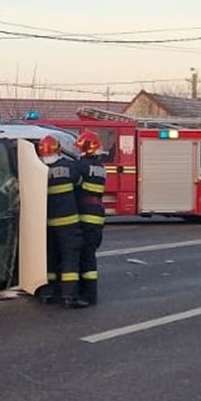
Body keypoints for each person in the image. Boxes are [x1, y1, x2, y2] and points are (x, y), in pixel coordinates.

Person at [34, 135, 89, 309]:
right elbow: (81, 187)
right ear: (58, 149)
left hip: (44, 225)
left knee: (47, 258)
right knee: (70, 258)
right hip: (68, 223)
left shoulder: (36, 169)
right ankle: (69, 296)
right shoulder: (69, 167)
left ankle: (46, 292)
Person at [75, 130, 106, 306]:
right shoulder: (99, 168)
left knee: (86, 258)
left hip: (86, 216)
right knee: (89, 255)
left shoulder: (82, 167)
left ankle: (88, 296)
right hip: (96, 217)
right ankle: (88, 293)